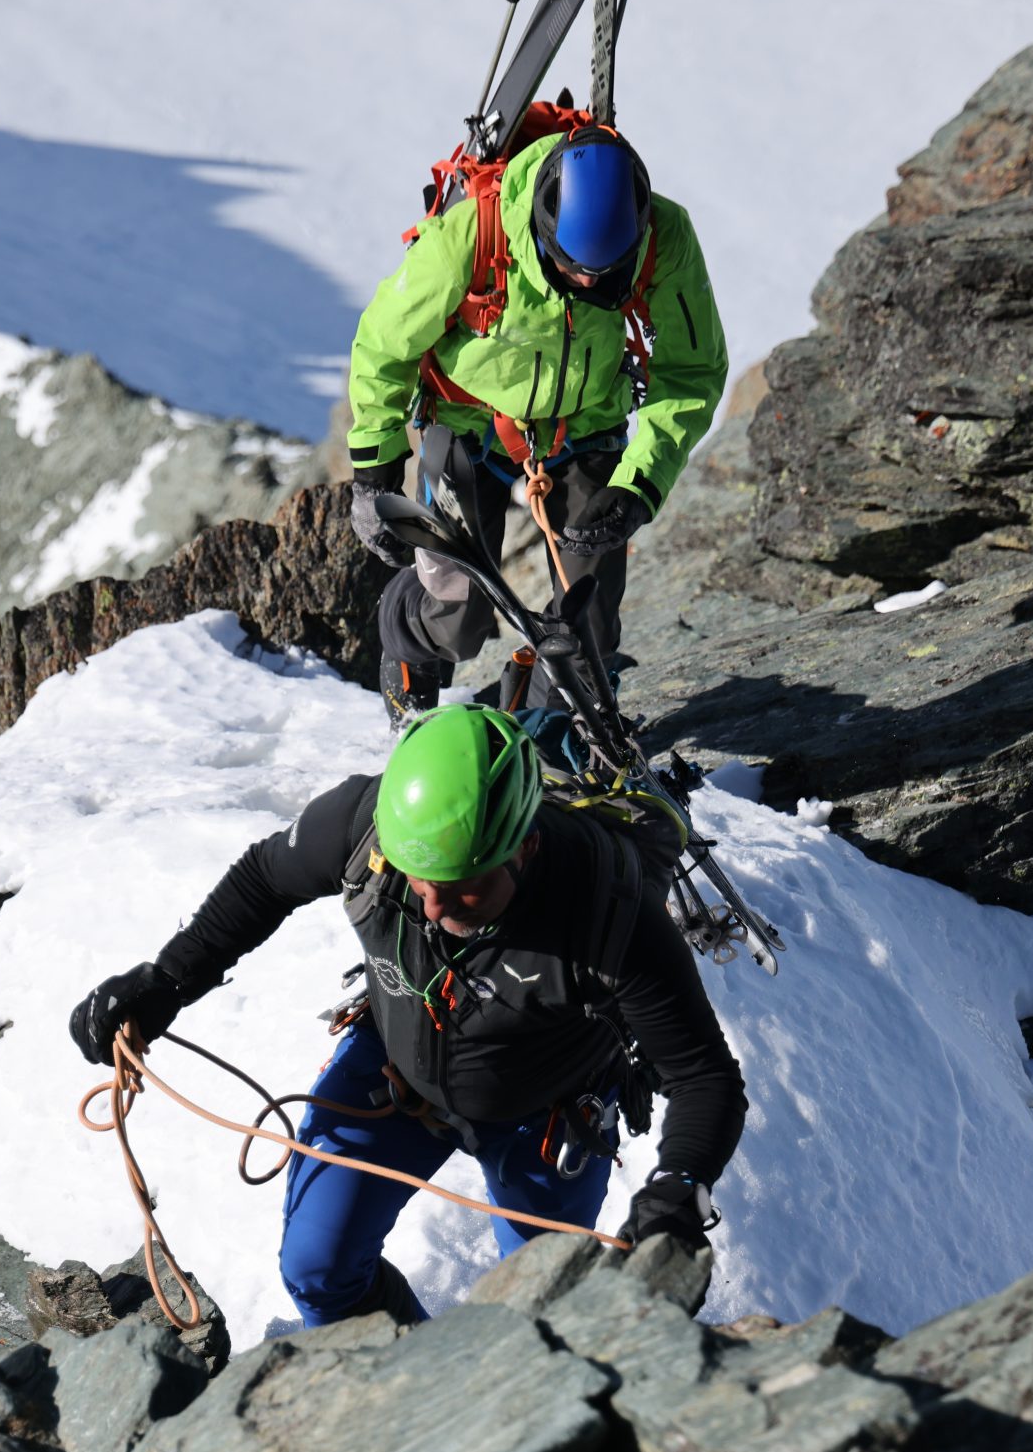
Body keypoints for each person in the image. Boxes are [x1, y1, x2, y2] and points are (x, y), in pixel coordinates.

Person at [69, 704, 745, 1326]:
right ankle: (400, 1398)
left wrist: (677, 1190)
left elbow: (702, 1077)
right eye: (418, 881)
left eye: (461, 890)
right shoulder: (366, 825)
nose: (429, 907)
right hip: (394, 1073)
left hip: (548, 1113)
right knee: (318, 1271)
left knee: (550, 1313)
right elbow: (264, 880)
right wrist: (165, 982)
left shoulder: (608, 909)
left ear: (525, 847)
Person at [346, 123, 728, 723]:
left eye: (606, 274)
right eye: (572, 268)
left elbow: (691, 372)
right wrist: (375, 472)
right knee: (458, 616)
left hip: (584, 426)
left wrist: (638, 485)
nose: (589, 282)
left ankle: (549, 734)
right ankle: (406, 640)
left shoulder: (664, 237)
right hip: (467, 422)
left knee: (590, 625)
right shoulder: (473, 235)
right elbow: (383, 344)